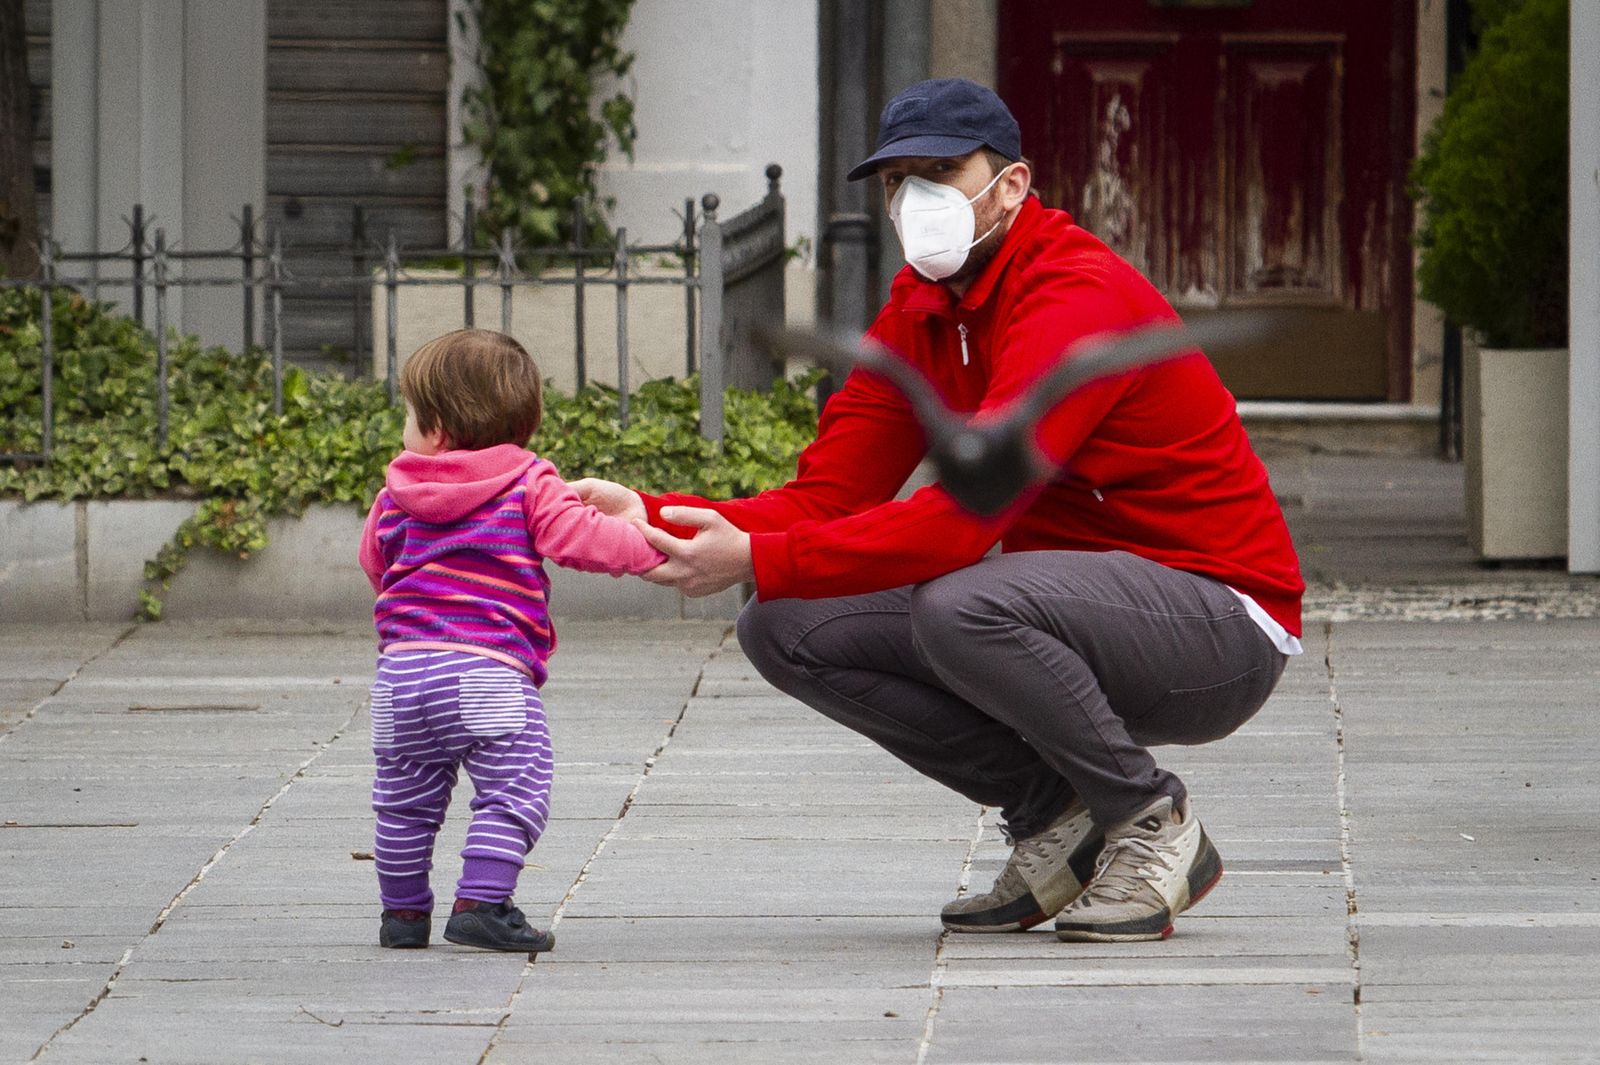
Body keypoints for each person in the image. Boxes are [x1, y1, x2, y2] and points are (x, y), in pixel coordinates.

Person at [575, 79, 1304, 943]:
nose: (915, 199)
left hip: (1221, 621)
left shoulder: (1071, 291)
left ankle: (1152, 823)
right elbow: (825, 498)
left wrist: (757, 556)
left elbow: (962, 525)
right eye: (897, 180)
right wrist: (653, 512)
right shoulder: (921, 310)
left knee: (960, 602)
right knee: (785, 624)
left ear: (1012, 186)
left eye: (943, 171)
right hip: (1074, 610)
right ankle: (1052, 815)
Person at [358, 328, 665, 952]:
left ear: (438, 428)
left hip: (399, 676)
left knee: (403, 802)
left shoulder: (395, 495)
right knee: (516, 786)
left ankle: (403, 916)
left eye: (410, 417)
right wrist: (645, 538)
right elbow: (581, 541)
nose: (405, 431)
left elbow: (375, 566)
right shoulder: (528, 481)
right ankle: (482, 902)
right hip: (486, 673)